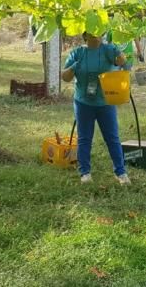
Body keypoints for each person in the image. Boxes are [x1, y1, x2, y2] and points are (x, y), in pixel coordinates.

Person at [61, 32, 131, 184]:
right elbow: (65, 77)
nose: (97, 36)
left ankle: (121, 172)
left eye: (100, 33)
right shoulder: (77, 52)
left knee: (112, 138)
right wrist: (74, 66)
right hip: (83, 102)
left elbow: (123, 63)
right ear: (86, 35)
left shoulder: (108, 50)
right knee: (85, 139)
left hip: (105, 102)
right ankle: (84, 173)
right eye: (93, 33)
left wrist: (119, 53)